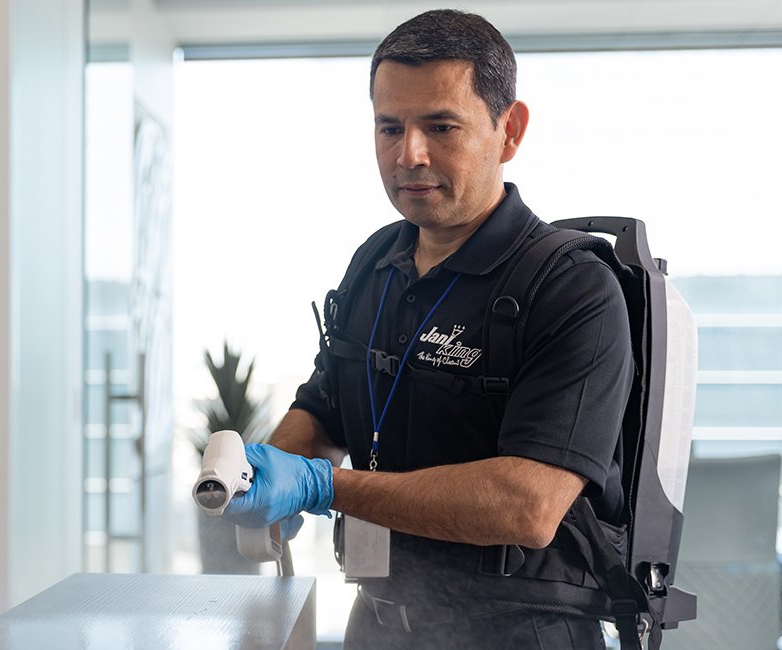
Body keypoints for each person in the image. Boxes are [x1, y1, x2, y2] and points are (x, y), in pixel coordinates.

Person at [219, 9, 631, 650]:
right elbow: (326, 408)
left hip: (521, 633)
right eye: (390, 127)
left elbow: (528, 506)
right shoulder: (375, 263)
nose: (409, 154)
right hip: (376, 623)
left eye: (441, 127)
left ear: (509, 130)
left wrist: (324, 487)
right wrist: (262, 475)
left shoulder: (572, 289)